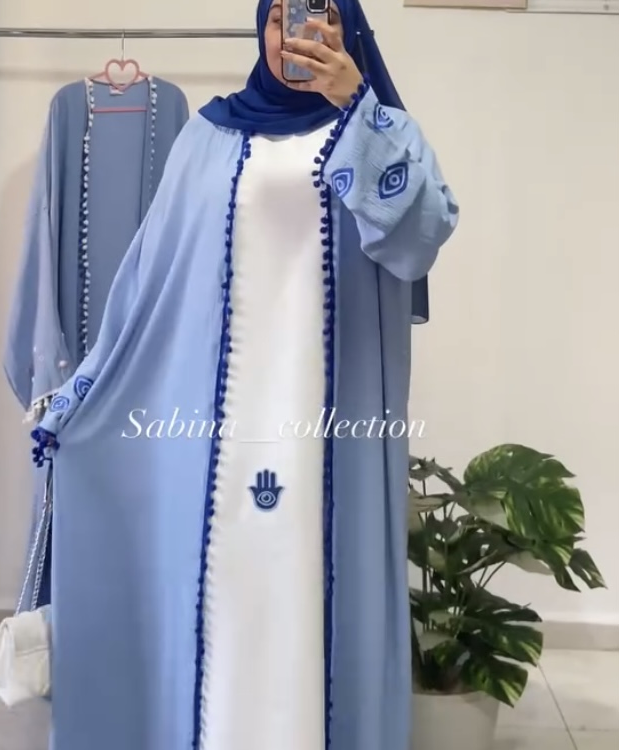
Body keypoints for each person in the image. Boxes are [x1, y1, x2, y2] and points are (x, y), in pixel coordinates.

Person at [29, 1, 459, 749]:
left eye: (315, 13)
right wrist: (82, 393)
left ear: (346, 26)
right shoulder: (208, 136)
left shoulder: (379, 126)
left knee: (312, 585)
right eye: (278, 16)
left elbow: (420, 236)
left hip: (329, 430)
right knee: (225, 596)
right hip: (217, 433)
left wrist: (356, 105)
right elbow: (147, 282)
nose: (295, 33)